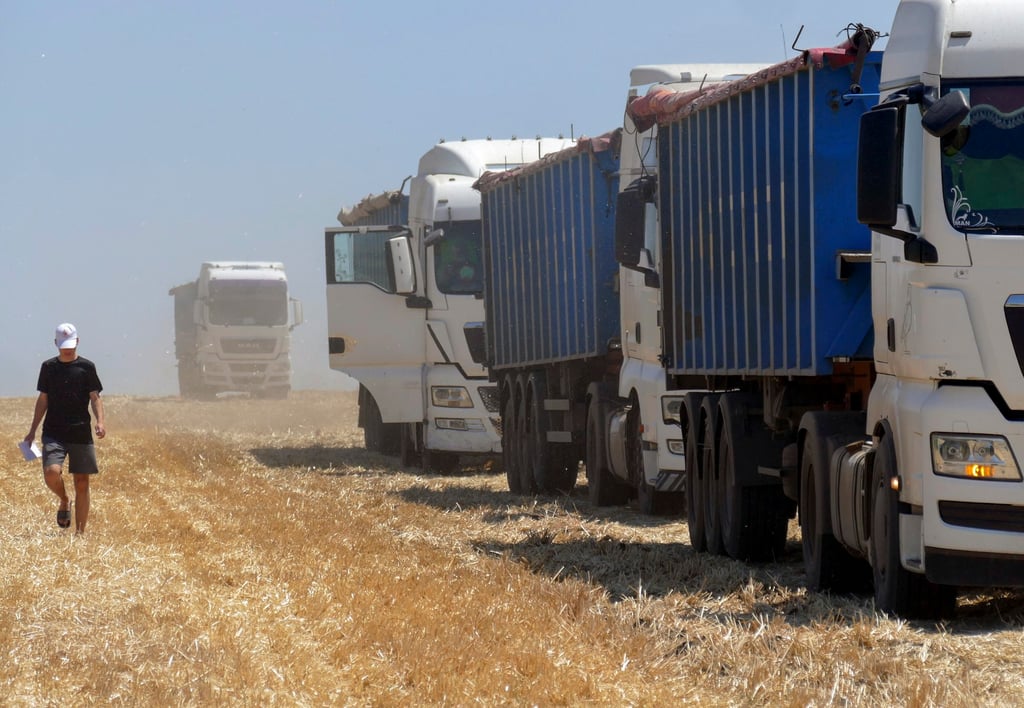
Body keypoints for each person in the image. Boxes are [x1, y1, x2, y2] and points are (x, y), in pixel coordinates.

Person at [24, 323, 106, 533]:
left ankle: (80, 533)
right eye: (63, 346)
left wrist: (100, 421)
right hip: (54, 431)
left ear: (77, 341)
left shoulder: (87, 367)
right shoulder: (48, 367)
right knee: (51, 472)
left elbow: (95, 397)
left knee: (82, 482)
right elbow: (43, 399)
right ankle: (64, 499)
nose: (67, 350)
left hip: (80, 432)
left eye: (70, 345)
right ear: (56, 344)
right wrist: (32, 430)